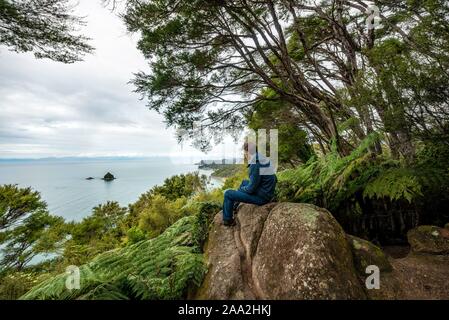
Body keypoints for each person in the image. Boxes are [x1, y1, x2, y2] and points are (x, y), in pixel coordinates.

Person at [222, 141, 277, 226]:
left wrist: (242, 190)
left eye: (245, 152)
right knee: (244, 182)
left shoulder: (255, 163)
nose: (244, 155)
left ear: (247, 152)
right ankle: (234, 206)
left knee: (228, 194)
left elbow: (251, 189)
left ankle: (227, 220)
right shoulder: (262, 158)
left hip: (263, 198)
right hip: (266, 191)